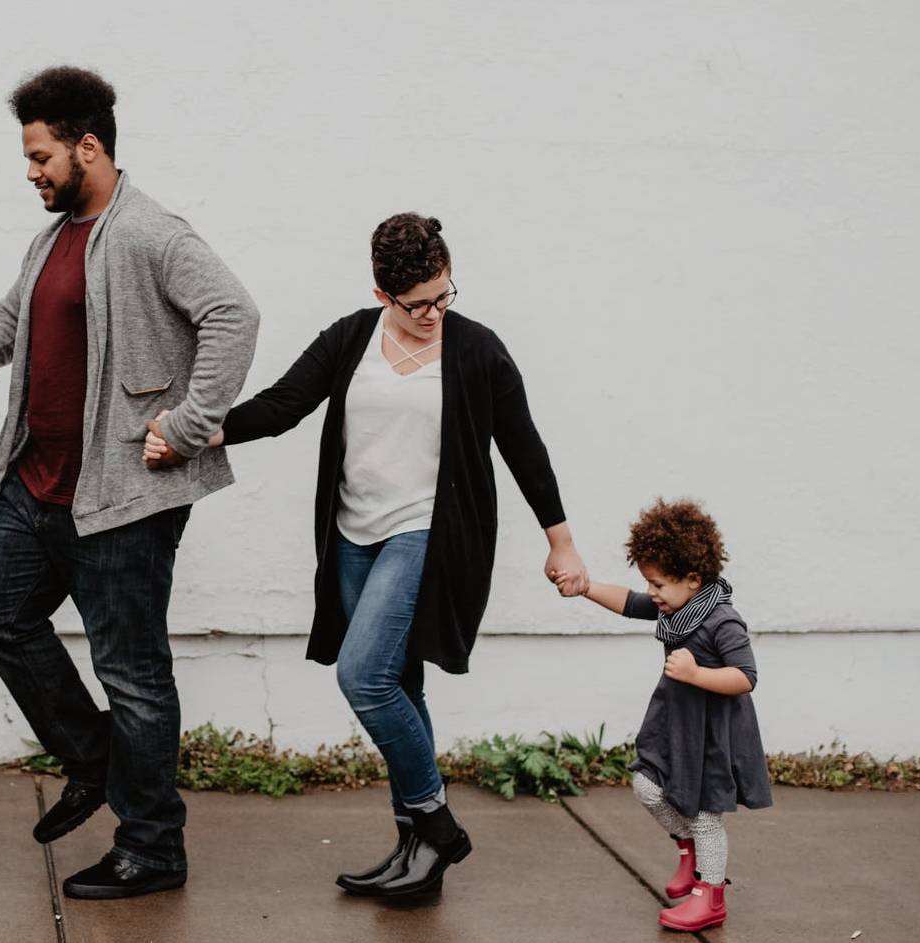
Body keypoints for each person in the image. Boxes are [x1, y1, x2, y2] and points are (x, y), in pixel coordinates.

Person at [145, 213, 588, 897]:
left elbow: (523, 446)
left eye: (444, 296)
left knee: (363, 677)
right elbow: (283, 405)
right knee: (399, 683)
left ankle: (436, 825)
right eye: (417, 305)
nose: (434, 313)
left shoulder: (476, 351)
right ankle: (416, 855)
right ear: (383, 295)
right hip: (352, 536)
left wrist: (560, 541)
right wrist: (194, 434)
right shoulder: (353, 338)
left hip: (425, 533)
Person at [0, 66, 259, 900]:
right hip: (36, 485)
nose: (31, 171)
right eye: (28, 156)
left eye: (41, 154)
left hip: (120, 497)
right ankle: (93, 762)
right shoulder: (52, 237)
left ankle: (153, 846)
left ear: (88, 147)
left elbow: (235, 314)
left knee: (132, 672)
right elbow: (14, 312)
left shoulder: (151, 233)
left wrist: (189, 425)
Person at [557, 498, 772, 932]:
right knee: (647, 785)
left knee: (704, 814)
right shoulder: (674, 608)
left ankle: (710, 896)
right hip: (676, 725)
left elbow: (745, 677)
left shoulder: (722, 620)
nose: (652, 593)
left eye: (659, 584)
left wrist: (696, 673)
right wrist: (585, 586)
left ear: (693, 579)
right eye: (649, 583)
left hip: (711, 733)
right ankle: (687, 851)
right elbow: (630, 601)